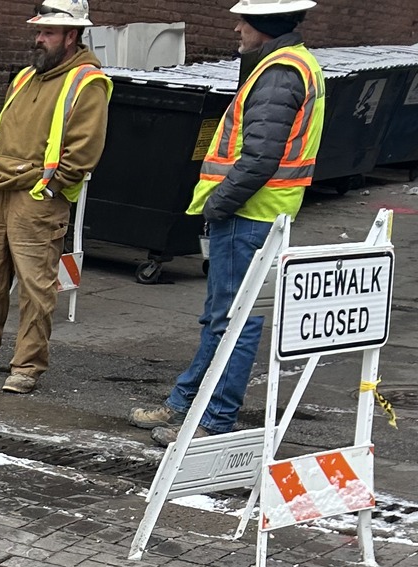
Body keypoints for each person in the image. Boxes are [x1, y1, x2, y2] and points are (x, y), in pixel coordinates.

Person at [130, 0, 323, 444]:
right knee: (223, 318)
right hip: (258, 212)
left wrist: (219, 204)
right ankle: (184, 402)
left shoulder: (279, 72)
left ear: (265, 25)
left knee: (234, 322)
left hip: (247, 214)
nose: (237, 27)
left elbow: (259, 157)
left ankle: (213, 421)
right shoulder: (292, 64)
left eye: (244, 20)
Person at [0, 0, 108, 395]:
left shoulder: (87, 81)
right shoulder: (27, 76)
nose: (38, 38)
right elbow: (4, 129)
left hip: (39, 196)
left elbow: (84, 151)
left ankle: (27, 366)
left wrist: (51, 186)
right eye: (39, 31)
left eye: (47, 32)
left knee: (36, 286)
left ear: (71, 36)